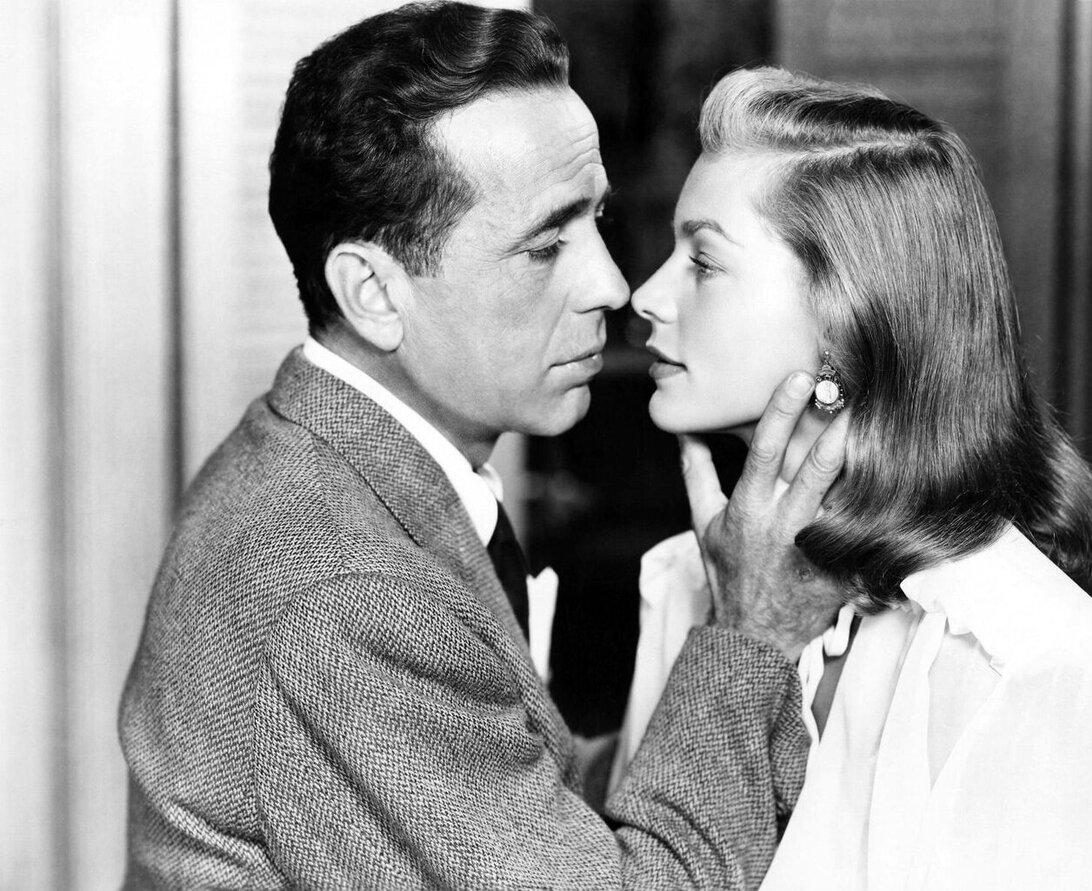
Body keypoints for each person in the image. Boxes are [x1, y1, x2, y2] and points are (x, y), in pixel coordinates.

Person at [118, 6, 848, 888]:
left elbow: (512, 789)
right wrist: (749, 634)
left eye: (597, 220)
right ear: (373, 292)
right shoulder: (344, 591)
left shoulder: (325, 465)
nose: (613, 284)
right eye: (545, 246)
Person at [622, 66, 1092, 889]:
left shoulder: (1032, 655)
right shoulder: (683, 581)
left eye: (702, 261)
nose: (646, 295)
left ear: (845, 315)